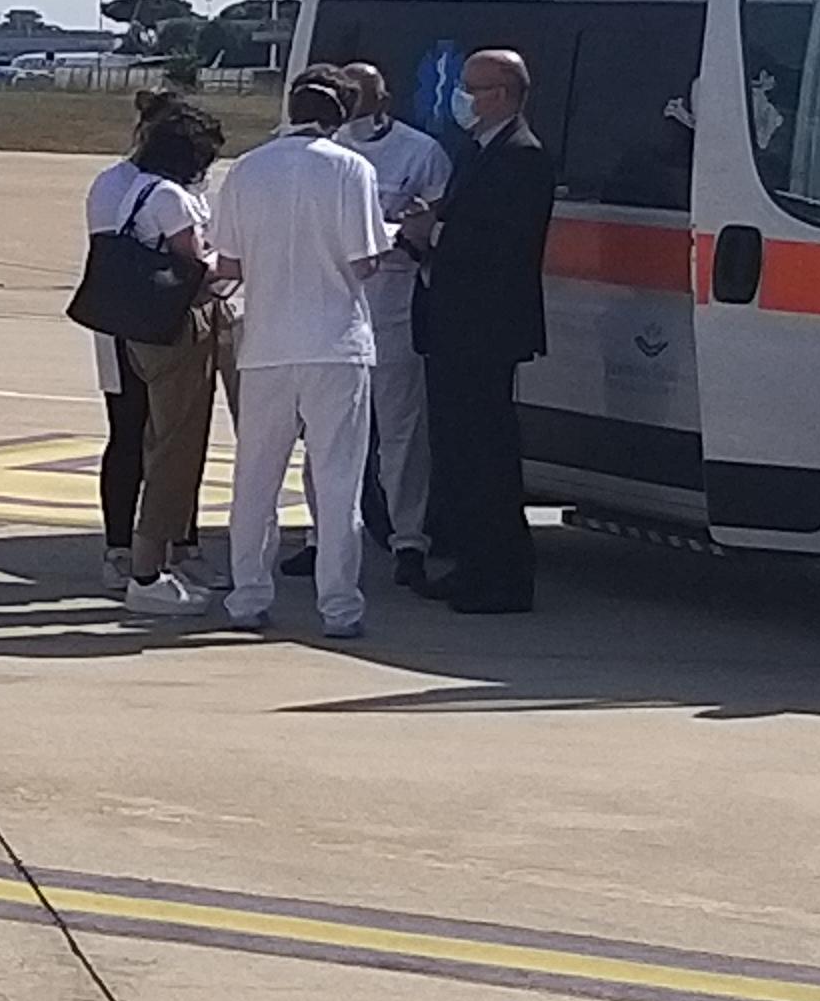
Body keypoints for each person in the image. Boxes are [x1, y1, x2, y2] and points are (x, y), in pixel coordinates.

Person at [203, 75, 390, 637]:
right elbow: (364, 261)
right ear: (340, 117)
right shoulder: (350, 168)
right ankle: (339, 605)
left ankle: (247, 596)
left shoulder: (248, 168)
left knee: (255, 480)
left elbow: (229, 262)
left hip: (265, 345)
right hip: (336, 344)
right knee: (337, 482)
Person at [404, 46, 561, 614]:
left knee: (486, 456)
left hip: (484, 329)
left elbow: (502, 245)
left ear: (503, 95)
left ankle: (502, 576)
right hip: (453, 325)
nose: (462, 98)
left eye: (473, 88)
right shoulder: (477, 150)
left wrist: (433, 234)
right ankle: (472, 563)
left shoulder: (522, 157)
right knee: (459, 455)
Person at [83, 96, 230, 615]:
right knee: (159, 439)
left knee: (148, 434)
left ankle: (149, 546)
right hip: (157, 323)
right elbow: (192, 263)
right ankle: (139, 555)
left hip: (120, 317)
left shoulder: (122, 185)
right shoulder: (163, 194)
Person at [333, 62, 454, 594]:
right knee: (329, 428)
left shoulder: (420, 151)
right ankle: (327, 535)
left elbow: (439, 225)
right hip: (333, 306)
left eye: (363, 95)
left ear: (384, 98)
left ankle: (409, 538)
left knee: (402, 427)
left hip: (396, 302)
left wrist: (411, 233)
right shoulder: (320, 153)